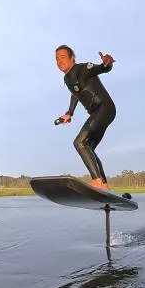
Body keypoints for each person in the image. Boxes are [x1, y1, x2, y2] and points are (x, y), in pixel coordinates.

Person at [54, 44, 116, 190]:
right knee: (88, 147)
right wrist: (69, 113)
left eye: (63, 57)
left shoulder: (82, 69)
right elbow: (75, 93)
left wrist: (107, 64)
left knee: (79, 143)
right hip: (100, 112)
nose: (59, 61)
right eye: (56, 59)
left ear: (72, 58)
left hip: (104, 108)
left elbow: (101, 68)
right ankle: (104, 185)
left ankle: (97, 181)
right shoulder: (67, 79)